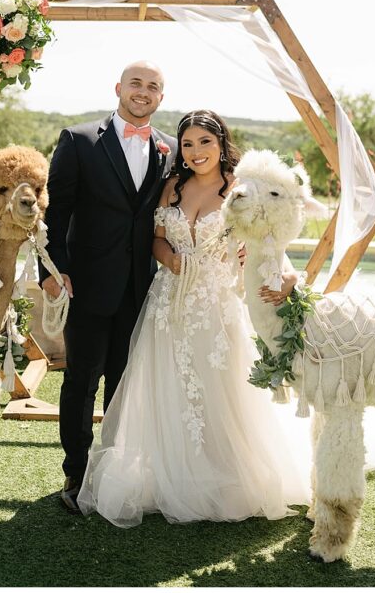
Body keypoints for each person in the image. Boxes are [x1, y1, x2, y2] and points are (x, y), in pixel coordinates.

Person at [75, 110, 310, 527]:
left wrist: (288, 276)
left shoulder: (241, 190)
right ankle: (169, 476)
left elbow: (270, 242)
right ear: (179, 150)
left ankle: (224, 475)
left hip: (217, 306)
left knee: (218, 389)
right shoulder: (171, 188)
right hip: (169, 304)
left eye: (205, 142)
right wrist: (172, 260)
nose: (196, 151)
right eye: (188, 144)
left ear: (222, 144)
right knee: (168, 386)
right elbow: (156, 240)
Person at [42, 60, 177, 513]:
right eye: (136, 83)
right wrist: (51, 272)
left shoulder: (171, 149)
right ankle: (75, 474)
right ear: (119, 87)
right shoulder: (79, 140)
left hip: (142, 289)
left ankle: (113, 475)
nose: (143, 92)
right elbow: (55, 213)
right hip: (86, 285)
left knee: (124, 384)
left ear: (161, 97)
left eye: (153, 87)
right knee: (81, 381)